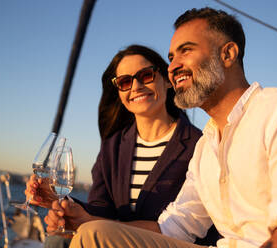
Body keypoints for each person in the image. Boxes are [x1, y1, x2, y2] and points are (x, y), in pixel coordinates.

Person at [54, 7, 277, 248]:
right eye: (171, 58)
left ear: (228, 54)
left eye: (186, 51)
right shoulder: (206, 147)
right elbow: (176, 225)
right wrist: (85, 220)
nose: (172, 66)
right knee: (95, 235)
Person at [26, 45, 221, 246]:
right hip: (114, 242)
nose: (135, 86)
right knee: (58, 237)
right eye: (125, 82)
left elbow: (185, 226)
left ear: (166, 80)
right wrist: (63, 203)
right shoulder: (113, 147)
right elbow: (100, 209)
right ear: (119, 92)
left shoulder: (199, 145)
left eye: (146, 75)